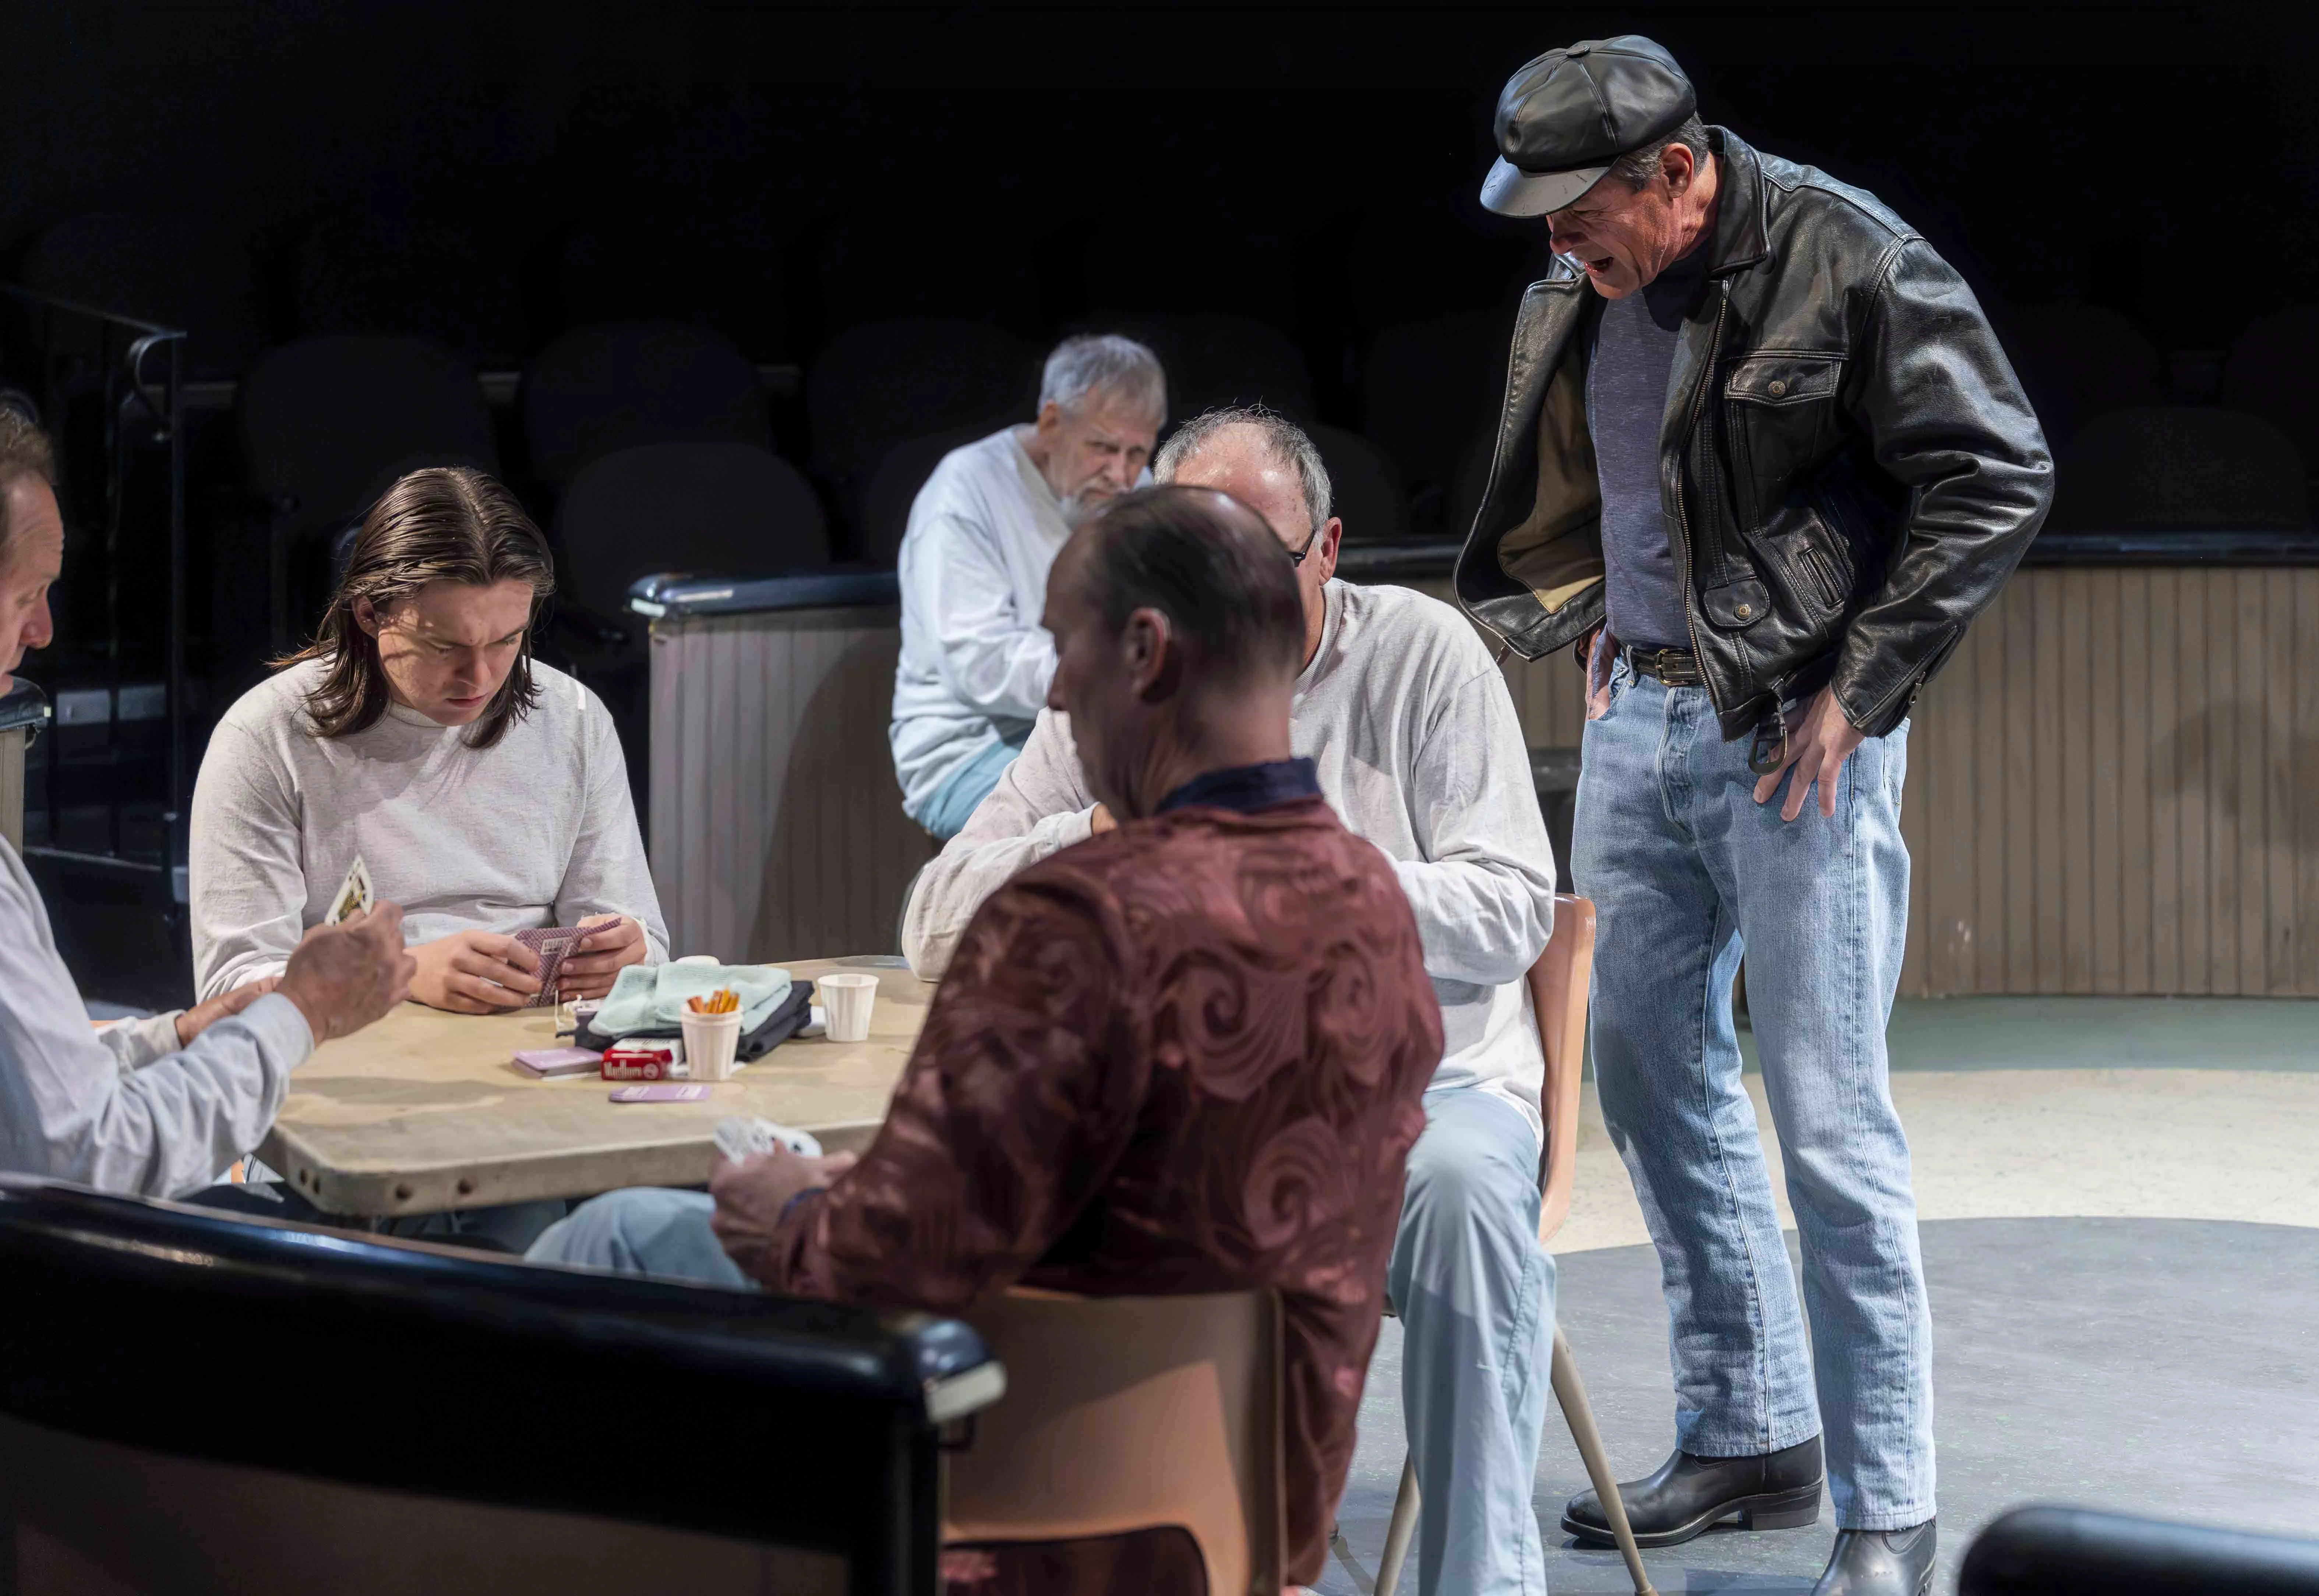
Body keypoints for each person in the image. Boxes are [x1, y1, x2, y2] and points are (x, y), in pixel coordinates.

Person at [535, 485, 1446, 1596]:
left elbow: (900, 1256)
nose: (1058, 689)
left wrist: (793, 1215)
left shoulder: (1075, 923)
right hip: (1243, 1519)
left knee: (616, 1242)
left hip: (1011, 1510)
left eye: (1065, 650)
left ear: (1146, 652)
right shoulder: (1373, 906)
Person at [1462, 37, 2051, 1596]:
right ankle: (1752, 1429)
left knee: (1832, 1126)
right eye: (1538, 216)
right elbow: (1617, 480)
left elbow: (1996, 468)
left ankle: (1887, 1507)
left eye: (1578, 208)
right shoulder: (1577, 284)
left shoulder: (1843, 253)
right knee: (1650, 1081)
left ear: (1677, 171)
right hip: (1633, 718)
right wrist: (1598, 602)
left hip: (1802, 740)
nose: (1553, 243)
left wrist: (1863, 685)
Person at [904, 408, 1561, 1596]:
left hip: (1425, 1098)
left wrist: (1301, 887)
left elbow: (1516, 905)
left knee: (1466, 1196)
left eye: (1257, 554)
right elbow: (936, 917)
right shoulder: (1121, 679)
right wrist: (1099, 829)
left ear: (1327, 551)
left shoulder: (1422, 653)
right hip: (1185, 1113)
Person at [0, 409, 417, 1199]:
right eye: (30, 594)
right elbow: (93, 1157)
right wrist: (300, 1011)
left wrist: (180, 1034)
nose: (46, 631)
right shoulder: (268, 731)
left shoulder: (570, 719)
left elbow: (33, 1098)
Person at [190, 467, 668, 1013]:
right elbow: (234, 985)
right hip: (361, 1056)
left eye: (508, 641)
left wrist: (628, 951)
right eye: (445, 647)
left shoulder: (573, 718)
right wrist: (406, 974)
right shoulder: (266, 735)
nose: (482, 678)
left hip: (538, 1040)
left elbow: (642, 938)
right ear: (370, 614)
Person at [888, 332, 1164, 838]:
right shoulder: (966, 489)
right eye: (1103, 448)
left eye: (1137, 452)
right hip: (969, 748)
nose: (1122, 475)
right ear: (1053, 423)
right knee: (1137, 821)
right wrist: (1116, 675)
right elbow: (980, 665)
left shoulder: (1137, 488)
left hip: (1092, 733)